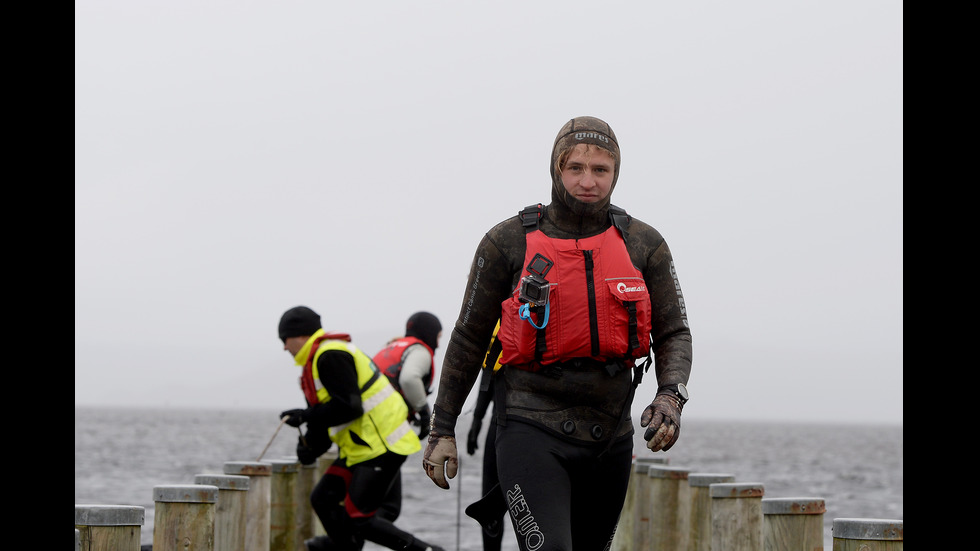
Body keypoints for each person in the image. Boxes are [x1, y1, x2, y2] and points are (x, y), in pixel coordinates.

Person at [421, 116, 694, 550]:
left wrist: (670, 396)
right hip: (530, 424)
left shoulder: (645, 244)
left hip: (611, 434)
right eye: (576, 168)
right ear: (556, 169)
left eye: (600, 170)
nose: (588, 181)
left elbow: (674, 331)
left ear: (615, 174)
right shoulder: (506, 241)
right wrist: (443, 429)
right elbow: (469, 339)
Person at [276, 305, 446, 551]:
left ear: (301, 335)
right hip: (361, 447)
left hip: (383, 444)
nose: (284, 347)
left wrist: (305, 416)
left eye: (285, 339)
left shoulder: (330, 354)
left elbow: (349, 407)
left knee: (360, 518)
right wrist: (309, 448)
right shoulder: (312, 364)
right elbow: (325, 416)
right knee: (322, 499)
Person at [372, 311, 443, 440]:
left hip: (367, 414)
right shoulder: (419, 350)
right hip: (383, 418)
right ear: (429, 334)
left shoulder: (391, 346)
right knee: (400, 452)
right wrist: (424, 413)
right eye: (438, 337)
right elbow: (409, 379)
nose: (438, 345)